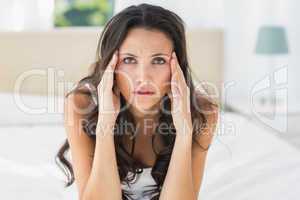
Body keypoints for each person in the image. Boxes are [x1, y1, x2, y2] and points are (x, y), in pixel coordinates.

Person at [56, 3, 219, 200]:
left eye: (158, 60)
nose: (144, 77)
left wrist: (184, 132)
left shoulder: (203, 112)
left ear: (177, 67)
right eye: (129, 60)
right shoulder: (80, 105)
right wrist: (106, 123)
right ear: (111, 65)